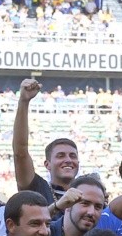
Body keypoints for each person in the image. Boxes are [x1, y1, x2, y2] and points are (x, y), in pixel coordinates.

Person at [12, 78, 79, 206]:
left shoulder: (87, 194)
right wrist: (24, 102)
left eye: (73, 156)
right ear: (47, 164)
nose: (68, 160)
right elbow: (20, 152)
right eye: (60, 156)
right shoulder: (37, 188)